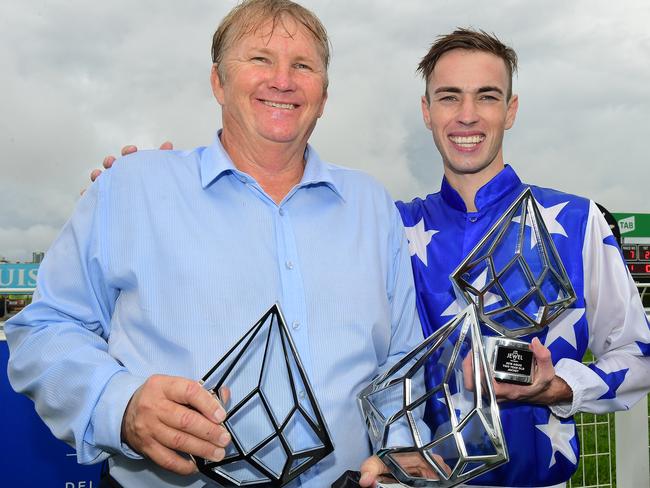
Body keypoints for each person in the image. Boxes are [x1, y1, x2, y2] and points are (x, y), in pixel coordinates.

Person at [5, 1, 423, 487]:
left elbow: (400, 364)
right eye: (260, 59)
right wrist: (120, 405)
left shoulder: (373, 206)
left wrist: (399, 450)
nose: (282, 80)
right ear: (218, 82)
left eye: (303, 66)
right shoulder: (130, 188)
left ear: (324, 95)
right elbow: (45, 328)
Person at [392, 28, 650, 487]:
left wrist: (559, 387)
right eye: (449, 97)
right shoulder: (391, 228)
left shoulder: (578, 221)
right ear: (426, 111)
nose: (467, 116)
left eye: (486, 97)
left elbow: (639, 355)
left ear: (510, 110)